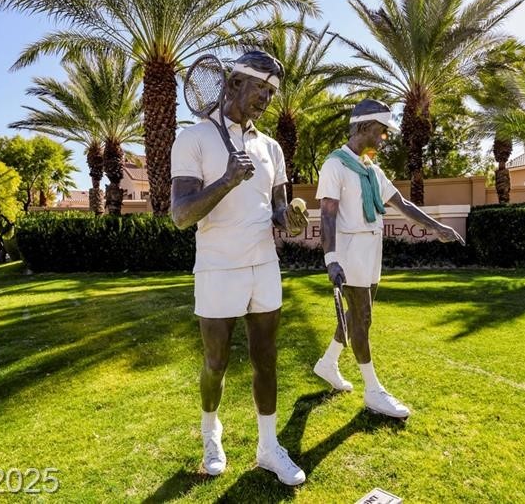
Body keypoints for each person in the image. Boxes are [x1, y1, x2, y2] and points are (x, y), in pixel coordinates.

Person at [170, 50, 309, 485]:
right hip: (217, 268)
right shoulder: (192, 139)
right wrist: (227, 180)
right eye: (259, 89)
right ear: (232, 84)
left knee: (266, 359)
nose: (265, 99)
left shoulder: (272, 148)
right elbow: (181, 215)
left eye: (271, 93)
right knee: (216, 363)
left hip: (263, 265)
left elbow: (278, 209)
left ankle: (268, 447)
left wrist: (290, 219)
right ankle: (211, 432)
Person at [313, 99, 465, 419]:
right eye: (381, 131)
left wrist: (437, 227)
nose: (384, 138)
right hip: (350, 251)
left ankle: (327, 363)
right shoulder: (335, 165)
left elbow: (403, 204)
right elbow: (327, 216)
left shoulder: (372, 170)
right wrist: (331, 259)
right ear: (364, 127)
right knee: (363, 319)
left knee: (356, 315)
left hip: (372, 251)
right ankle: (373, 390)